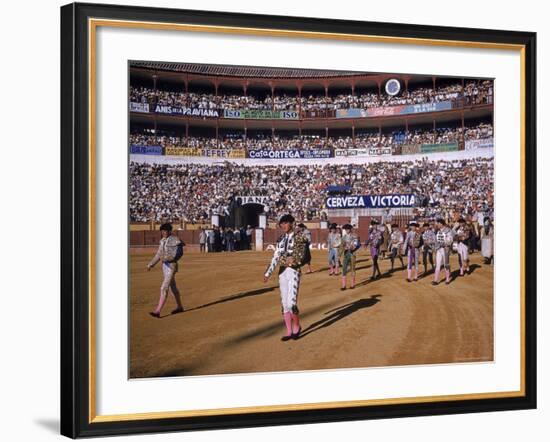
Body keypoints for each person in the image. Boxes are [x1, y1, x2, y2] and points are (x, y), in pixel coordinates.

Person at [263, 214, 308, 341]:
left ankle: (297, 327)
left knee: (292, 303)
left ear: (292, 223)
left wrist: (296, 261)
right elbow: (275, 257)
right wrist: (268, 273)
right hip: (282, 272)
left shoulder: (300, 237)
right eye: (281, 224)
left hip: (293, 271)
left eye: (285, 223)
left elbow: (305, 255)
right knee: (284, 304)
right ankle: (289, 331)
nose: (283, 225)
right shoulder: (281, 239)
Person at [147, 223, 184, 318]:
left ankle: (157, 311)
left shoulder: (175, 240)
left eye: (165, 231)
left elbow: (179, 253)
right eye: (162, 231)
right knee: (173, 288)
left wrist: (170, 258)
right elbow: (158, 254)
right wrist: (151, 264)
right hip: (165, 267)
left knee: (164, 287)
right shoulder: (162, 241)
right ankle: (179, 307)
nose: (163, 233)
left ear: (169, 231)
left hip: (171, 266)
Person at [433, 218, 454, 285]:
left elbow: (450, 240)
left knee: (446, 264)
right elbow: (436, 240)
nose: (437, 225)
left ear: (441, 224)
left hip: (445, 249)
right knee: (438, 264)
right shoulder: (437, 231)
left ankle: (447, 279)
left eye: (438, 223)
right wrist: (435, 247)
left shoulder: (448, 230)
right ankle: (436, 280)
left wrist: (444, 243)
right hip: (439, 249)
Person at [340, 224, 361, 290]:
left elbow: (358, 245)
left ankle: (352, 284)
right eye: (346, 229)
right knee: (344, 269)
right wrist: (339, 254)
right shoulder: (344, 237)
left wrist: (353, 248)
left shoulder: (355, 236)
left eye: (348, 229)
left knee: (352, 269)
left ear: (350, 229)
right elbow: (341, 246)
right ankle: (343, 285)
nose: (347, 230)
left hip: (352, 254)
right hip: (346, 254)